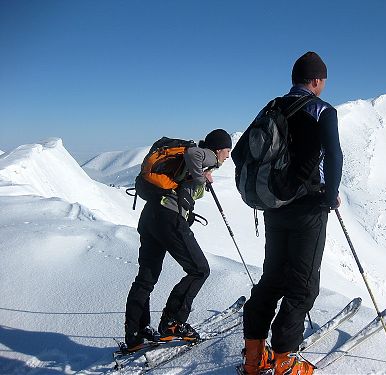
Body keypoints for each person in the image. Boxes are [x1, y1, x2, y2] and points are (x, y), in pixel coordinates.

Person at [240, 52, 343, 375]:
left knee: (272, 277)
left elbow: (242, 151)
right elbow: (335, 155)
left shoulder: (273, 106)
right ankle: (285, 358)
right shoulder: (321, 110)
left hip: (274, 206)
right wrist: (330, 194)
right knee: (302, 284)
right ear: (316, 81)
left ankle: (255, 356)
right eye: (323, 79)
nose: (324, 84)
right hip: (308, 208)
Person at [124, 129, 232, 351]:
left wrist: (199, 177)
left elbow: (187, 183)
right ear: (219, 148)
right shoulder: (206, 154)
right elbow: (194, 155)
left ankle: (136, 334)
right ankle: (173, 322)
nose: (227, 156)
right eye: (227, 150)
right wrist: (202, 176)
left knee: (146, 278)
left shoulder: (185, 163)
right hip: (168, 219)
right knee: (199, 269)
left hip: (150, 217)